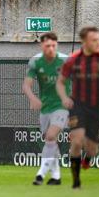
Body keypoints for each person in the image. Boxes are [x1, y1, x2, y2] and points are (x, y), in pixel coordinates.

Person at [56, 26, 99, 189]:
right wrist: (65, 98)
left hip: (98, 109)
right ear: (84, 41)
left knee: (92, 149)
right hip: (77, 105)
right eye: (94, 40)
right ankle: (76, 180)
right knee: (77, 141)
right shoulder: (73, 60)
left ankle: (87, 159)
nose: (98, 43)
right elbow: (60, 82)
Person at [22, 32, 70, 186]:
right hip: (45, 107)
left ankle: (40, 174)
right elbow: (26, 85)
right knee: (50, 141)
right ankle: (56, 176)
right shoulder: (36, 62)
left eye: (54, 45)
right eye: (47, 45)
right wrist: (33, 98)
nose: (51, 48)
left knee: (50, 136)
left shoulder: (65, 61)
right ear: (41, 45)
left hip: (61, 107)